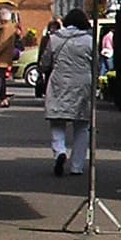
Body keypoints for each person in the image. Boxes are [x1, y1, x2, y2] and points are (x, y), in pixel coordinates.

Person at [41, 9, 97, 177]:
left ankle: (59, 151)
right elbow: (96, 64)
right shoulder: (89, 40)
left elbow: (45, 62)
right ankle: (77, 166)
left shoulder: (55, 38)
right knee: (82, 125)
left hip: (59, 82)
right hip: (83, 83)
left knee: (57, 120)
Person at [0, 13, 21, 107]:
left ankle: (3, 99)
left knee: (0, 79)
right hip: (6, 57)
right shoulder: (10, 27)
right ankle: (2, 98)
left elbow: (2, 43)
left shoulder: (5, 29)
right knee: (1, 78)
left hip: (2, 59)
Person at [34, 19, 61, 98]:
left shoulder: (60, 39)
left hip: (55, 63)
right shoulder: (45, 38)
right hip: (47, 63)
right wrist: (39, 63)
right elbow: (41, 51)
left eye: (55, 28)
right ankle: (46, 92)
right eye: (52, 28)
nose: (53, 30)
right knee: (47, 78)